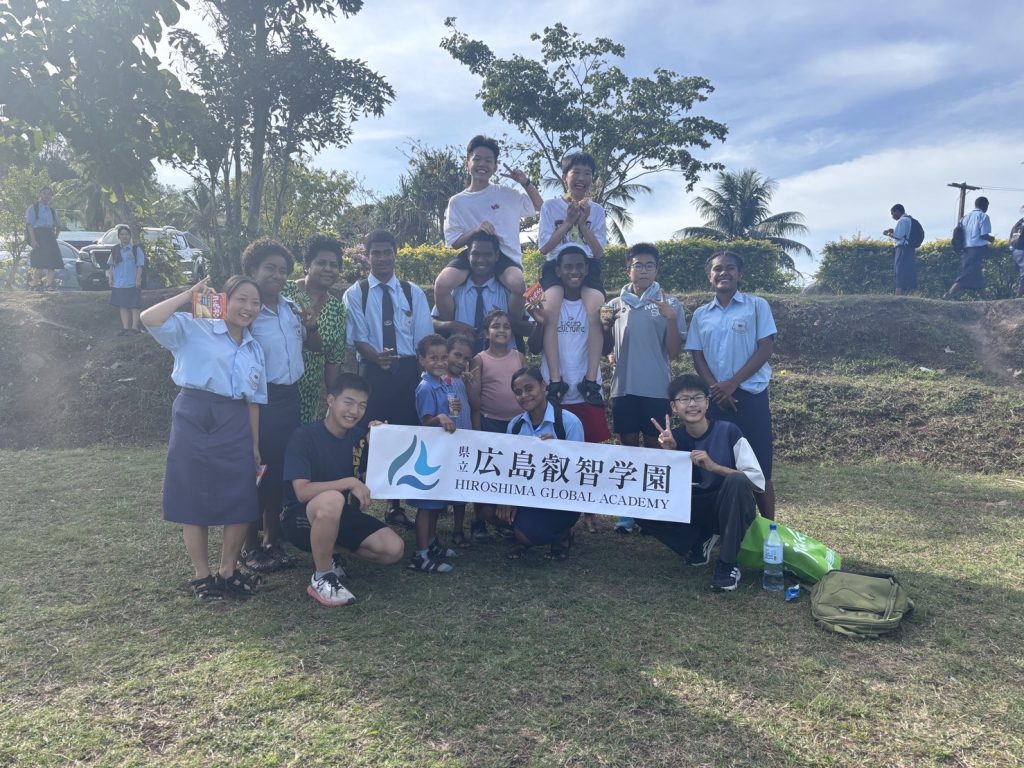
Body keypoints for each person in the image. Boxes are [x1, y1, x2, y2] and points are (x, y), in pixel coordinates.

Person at [141, 276, 266, 603]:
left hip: (235, 417)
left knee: (240, 495)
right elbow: (149, 318)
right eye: (241, 299)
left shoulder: (254, 348)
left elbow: (254, 401)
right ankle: (201, 575)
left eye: (255, 302)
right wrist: (187, 295)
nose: (248, 308)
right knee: (192, 494)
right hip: (194, 412)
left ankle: (228, 571)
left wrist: (254, 445)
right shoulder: (196, 326)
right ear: (225, 300)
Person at [281, 373, 405, 607]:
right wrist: (349, 482)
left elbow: (385, 472)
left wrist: (381, 440)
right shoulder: (304, 436)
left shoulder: (359, 437)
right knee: (332, 499)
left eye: (362, 406)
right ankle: (322, 577)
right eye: (348, 402)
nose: (354, 411)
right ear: (330, 400)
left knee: (393, 549)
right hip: (301, 520)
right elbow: (302, 492)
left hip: (340, 515)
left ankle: (330, 552)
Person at [343, 230, 433, 530]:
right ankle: (355, 503)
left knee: (402, 438)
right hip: (371, 373)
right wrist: (375, 357)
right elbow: (356, 337)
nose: (382, 258)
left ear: (395, 254)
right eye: (376, 253)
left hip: (406, 374)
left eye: (387, 252)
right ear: (367, 256)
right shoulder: (356, 293)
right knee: (362, 436)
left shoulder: (411, 292)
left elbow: (423, 339)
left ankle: (395, 506)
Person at [647, 374, 765, 592]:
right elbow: (664, 487)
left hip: (727, 508)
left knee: (737, 479)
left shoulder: (729, 431)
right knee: (639, 502)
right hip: (694, 508)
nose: (692, 404)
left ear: (707, 403)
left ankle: (727, 564)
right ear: (674, 407)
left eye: (698, 398)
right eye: (684, 399)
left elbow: (755, 481)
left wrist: (714, 467)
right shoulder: (674, 438)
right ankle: (698, 541)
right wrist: (670, 454)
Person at [601, 243, 687, 533]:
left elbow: (674, 352)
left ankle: (653, 513)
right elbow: (606, 348)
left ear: (657, 270)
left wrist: (670, 319)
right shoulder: (613, 305)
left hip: (656, 389)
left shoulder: (670, 304)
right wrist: (605, 331)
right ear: (629, 269)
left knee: (655, 451)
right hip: (623, 388)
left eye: (650, 265)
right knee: (628, 452)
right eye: (638, 265)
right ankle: (629, 512)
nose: (644, 270)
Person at [687, 251, 778, 520]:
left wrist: (732, 384)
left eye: (730, 268)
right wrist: (717, 388)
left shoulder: (757, 306)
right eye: (717, 269)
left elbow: (765, 348)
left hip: (750, 396)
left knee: (759, 465)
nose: (723, 273)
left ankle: (769, 528)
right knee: (717, 464)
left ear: (740, 274)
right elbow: (697, 356)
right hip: (716, 400)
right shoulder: (701, 314)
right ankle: (723, 526)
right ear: (709, 276)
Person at [528, 246, 611, 532]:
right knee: (553, 451)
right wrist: (539, 323)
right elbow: (533, 347)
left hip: (587, 388)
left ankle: (589, 511)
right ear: (558, 270)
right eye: (568, 267)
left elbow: (607, 347)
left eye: (579, 266)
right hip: (554, 389)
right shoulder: (546, 302)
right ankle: (555, 509)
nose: (574, 272)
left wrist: (607, 327)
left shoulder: (596, 301)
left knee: (587, 454)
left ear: (586, 269)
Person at [240, 239, 306, 573]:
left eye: (283, 270)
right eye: (270, 268)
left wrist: (310, 325)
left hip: (289, 399)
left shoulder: (290, 308)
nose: (277, 275)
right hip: (258, 402)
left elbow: (307, 343)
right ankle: (249, 547)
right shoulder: (247, 313)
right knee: (256, 473)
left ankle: (272, 540)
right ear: (253, 270)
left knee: (279, 473)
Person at [435, 135, 542, 333]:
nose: (482, 164)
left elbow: (539, 207)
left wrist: (525, 182)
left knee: (518, 284)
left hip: (505, 256)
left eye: (488, 160)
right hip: (473, 255)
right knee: (442, 285)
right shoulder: (457, 202)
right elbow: (454, 242)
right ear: (467, 163)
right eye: (477, 159)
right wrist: (475, 230)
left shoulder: (507, 194)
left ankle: (510, 330)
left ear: (495, 166)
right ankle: (452, 335)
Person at [537, 152, 607, 406]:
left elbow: (598, 252)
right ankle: (556, 380)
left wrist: (584, 224)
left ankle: (591, 380)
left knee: (596, 307)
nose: (582, 178)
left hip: (586, 266)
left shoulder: (597, 210)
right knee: (550, 308)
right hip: (557, 265)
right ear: (565, 177)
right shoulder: (550, 206)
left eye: (587, 173)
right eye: (576, 172)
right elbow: (544, 248)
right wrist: (568, 223)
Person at [496, 367, 585, 560]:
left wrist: (557, 451)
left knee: (528, 534)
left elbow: (579, 470)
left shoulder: (569, 422)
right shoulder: (515, 425)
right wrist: (507, 498)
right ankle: (522, 529)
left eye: (529, 388)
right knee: (488, 509)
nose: (524, 395)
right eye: (518, 392)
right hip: (526, 495)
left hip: (560, 499)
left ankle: (562, 535)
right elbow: (508, 466)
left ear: (543, 386)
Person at [465, 309, 527, 541]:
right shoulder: (479, 359)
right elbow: (475, 402)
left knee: (510, 470)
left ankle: (505, 518)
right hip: (490, 422)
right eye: (496, 326)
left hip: (517, 425)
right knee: (486, 471)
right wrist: (477, 432)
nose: (502, 330)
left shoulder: (519, 357)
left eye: (506, 326)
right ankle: (479, 519)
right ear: (486, 332)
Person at [282, 235, 347, 424]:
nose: (328, 269)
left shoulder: (337, 309)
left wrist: (333, 402)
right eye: (321, 263)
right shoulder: (284, 292)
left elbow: (333, 360)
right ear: (307, 266)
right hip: (275, 391)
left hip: (308, 396)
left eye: (334, 265)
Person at [431, 230, 532, 351]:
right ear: (468, 255)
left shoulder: (510, 290)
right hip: (462, 359)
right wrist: (451, 325)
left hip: (503, 359)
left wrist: (505, 321)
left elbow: (530, 328)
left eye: (487, 255)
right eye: (476, 254)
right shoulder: (454, 288)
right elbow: (433, 322)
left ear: (497, 256)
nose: (481, 260)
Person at [410, 334, 461, 573]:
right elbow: (426, 422)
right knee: (427, 504)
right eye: (433, 358)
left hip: (443, 452)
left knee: (436, 503)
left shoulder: (445, 383)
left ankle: (431, 542)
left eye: (443, 357)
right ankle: (421, 554)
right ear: (422, 360)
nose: (439, 363)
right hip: (429, 455)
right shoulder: (426, 388)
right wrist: (439, 418)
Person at [443, 334, 478, 546]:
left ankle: (458, 528)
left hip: (463, 438)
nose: (460, 361)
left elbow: (475, 405)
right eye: (457, 355)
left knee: (460, 483)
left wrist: (471, 385)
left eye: (466, 358)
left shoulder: (465, 380)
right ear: (446, 354)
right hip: (443, 439)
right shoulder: (435, 379)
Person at [944, 196, 994, 300]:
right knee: (966, 274)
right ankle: (948, 295)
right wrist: (991, 239)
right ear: (984, 205)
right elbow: (983, 235)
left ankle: (986, 299)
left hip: (966, 250)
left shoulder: (965, 218)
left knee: (975, 274)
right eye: (987, 205)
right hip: (977, 249)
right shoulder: (984, 216)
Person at [107, 224, 145, 334]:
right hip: (119, 283)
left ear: (130, 236)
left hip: (132, 282)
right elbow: (111, 265)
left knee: (134, 306)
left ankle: (135, 328)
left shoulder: (136, 249)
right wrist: (110, 279)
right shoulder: (115, 250)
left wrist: (138, 279)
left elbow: (140, 265)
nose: (124, 236)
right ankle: (125, 328)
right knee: (123, 306)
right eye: (122, 234)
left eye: (127, 234)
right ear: (119, 236)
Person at [25, 187, 62, 292]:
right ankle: (34, 284)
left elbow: (58, 225)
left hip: (49, 234)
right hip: (38, 234)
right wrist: (33, 240)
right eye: (44, 193)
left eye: (49, 194)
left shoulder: (52, 210)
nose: (47, 196)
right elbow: (29, 225)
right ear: (40, 194)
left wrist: (55, 236)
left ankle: (49, 285)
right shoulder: (34, 208)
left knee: (53, 262)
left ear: (51, 196)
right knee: (39, 262)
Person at [882, 203, 917, 295]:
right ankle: (907, 296)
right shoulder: (909, 219)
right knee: (907, 273)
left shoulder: (902, 220)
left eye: (892, 213)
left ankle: (897, 297)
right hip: (909, 248)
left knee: (899, 273)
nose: (892, 216)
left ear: (897, 211)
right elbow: (904, 234)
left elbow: (899, 236)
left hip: (902, 249)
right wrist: (893, 231)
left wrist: (888, 234)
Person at [1009, 208, 1024, 298]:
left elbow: (1011, 239)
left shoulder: (1018, 223)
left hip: (1015, 251)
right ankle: (1018, 296)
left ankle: (1018, 296)